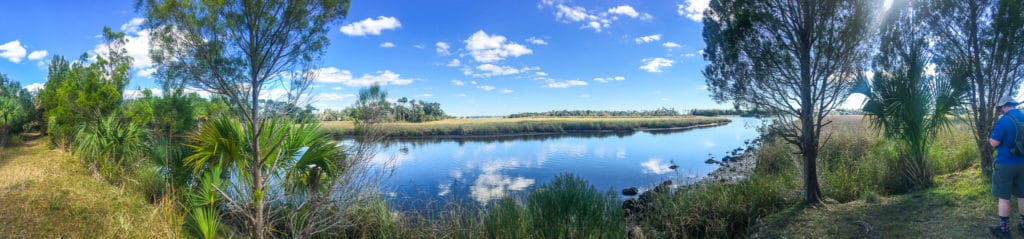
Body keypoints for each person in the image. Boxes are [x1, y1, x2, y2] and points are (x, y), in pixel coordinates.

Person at [990, 95, 1024, 238]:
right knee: (1023, 194)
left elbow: (994, 143)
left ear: (1004, 106)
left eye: (1001, 108)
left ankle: (1004, 230)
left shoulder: (1003, 121)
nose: (1001, 110)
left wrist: (990, 139)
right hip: (1023, 163)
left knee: (1004, 197)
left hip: (1005, 163)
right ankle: (1023, 225)